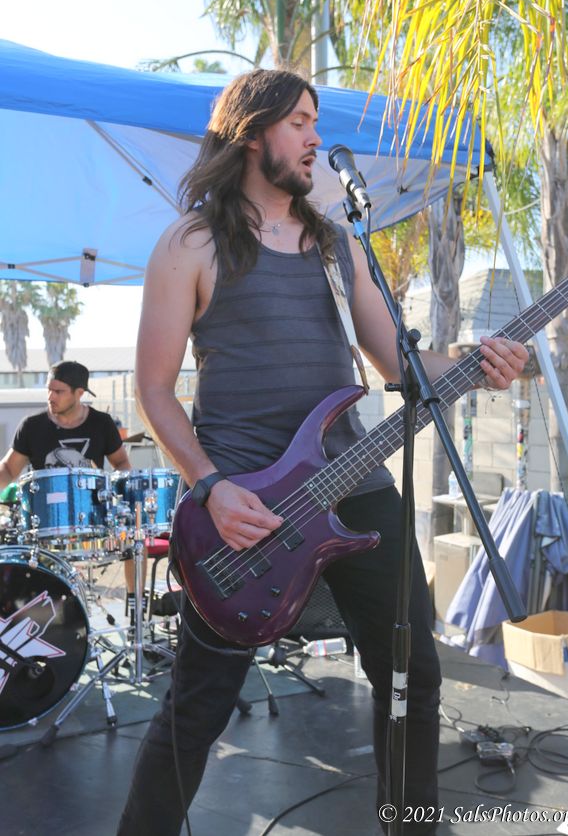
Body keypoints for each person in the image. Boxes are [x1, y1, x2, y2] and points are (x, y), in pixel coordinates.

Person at [117, 68, 528, 836]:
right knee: (197, 705)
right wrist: (209, 487)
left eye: (316, 121)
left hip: (356, 486)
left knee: (412, 678)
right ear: (251, 133)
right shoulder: (192, 243)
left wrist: (481, 361)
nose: (315, 138)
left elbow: (399, 364)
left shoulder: (337, 245)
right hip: (246, 506)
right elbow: (154, 389)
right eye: (299, 122)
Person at [0, 360, 141, 605]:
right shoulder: (32, 426)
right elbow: (9, 469)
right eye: (49, 390)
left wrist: (120, 494)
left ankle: (135, 603)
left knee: (135, 534)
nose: (50, 397)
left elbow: (121, 463)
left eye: (58, 391)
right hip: (44, 524)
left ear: (79, 393)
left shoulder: (101, 423)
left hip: (93, 518)